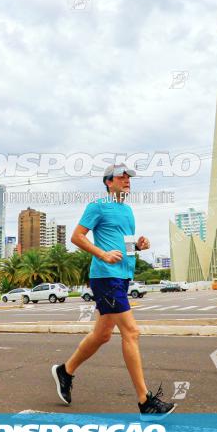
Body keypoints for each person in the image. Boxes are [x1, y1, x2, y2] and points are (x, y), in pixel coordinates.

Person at [51, 164, 176, 419]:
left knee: (102, 334)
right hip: (106, 277)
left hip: (122, 277)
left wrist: (138, 247)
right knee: (131, 331)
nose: (127, 180)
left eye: (129, 177)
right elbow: (77, 237)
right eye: (122, 176)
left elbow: (125, 245)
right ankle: (145, 402)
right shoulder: (98, 206)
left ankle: (66, 370)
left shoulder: (127, 211)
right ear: (109, 182)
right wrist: (102, 254)